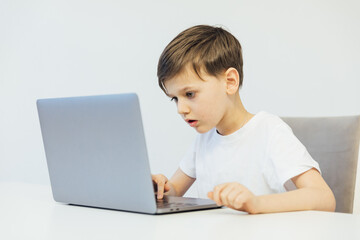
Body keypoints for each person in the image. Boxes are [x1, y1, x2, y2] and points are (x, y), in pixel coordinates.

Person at [152, 25, 336, 214]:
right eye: (175, 98)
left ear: (230, 82)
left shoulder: (269, 131)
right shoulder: (204, 139)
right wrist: (160, 189)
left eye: (189, 94)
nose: (181, 109)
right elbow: (174, 191)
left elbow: (323, 197)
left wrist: (256, 203)